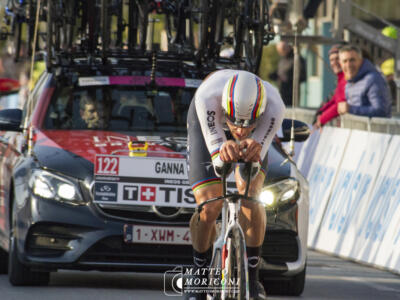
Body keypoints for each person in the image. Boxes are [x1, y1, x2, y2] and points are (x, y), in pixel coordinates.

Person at [186, 70, 285, 300]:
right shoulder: (207, 97)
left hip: (253, 130)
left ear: (259, 113)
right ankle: (199, 276)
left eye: (248, 124)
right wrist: (222, 152)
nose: (240, 131)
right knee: (210, 205)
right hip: (210, 128)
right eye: (235, 123)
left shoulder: (275, 106)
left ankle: (252, 278)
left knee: (251, 193)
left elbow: (255, 160)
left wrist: (253, 144)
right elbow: (220, 165)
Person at [337, 45, 392, 118]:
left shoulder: (373, 79)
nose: (348, 65)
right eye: (345, 61)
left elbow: (381, 111)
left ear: (360, 61)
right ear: (340, 64)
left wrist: (350, 109)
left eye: (352, 60)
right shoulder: (349, 82)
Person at [313, 44, 346, 129]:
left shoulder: (347, 79)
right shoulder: (340, 79)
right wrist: (320, 112)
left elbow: (339, 104)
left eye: (337, 59)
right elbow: (333, 100)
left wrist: (322, 119)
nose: (334, 63)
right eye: (331, 60)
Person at [269, 40, 306, 106]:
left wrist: (288, 78)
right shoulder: (282, 60)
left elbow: (303, 77)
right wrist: (274, 75)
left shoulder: (297, 59)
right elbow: (279, 73)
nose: (281, 52)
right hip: (281, 92)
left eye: (282, 50)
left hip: (292, 96)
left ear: (288, 47)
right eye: (279, 51)